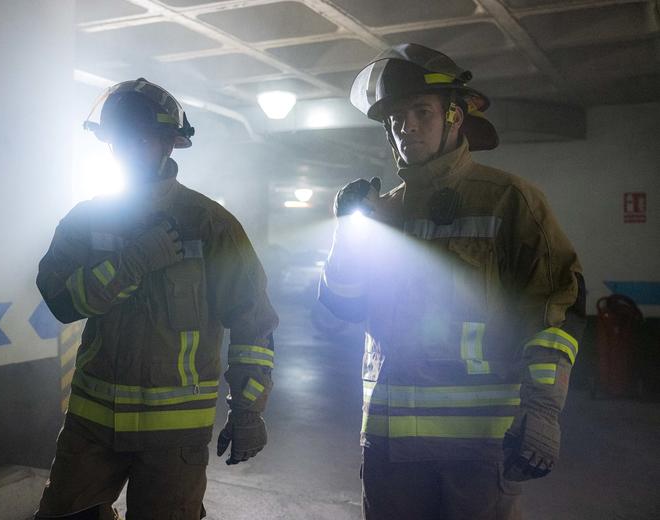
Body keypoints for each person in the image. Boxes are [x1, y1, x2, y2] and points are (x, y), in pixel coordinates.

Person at [319, 44, 586, 520]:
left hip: (476, 450)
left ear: (455, 117)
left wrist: (543, 411)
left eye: (422, 111)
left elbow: (555, 313)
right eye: (396, 117)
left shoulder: (510, 201)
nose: (407, 126)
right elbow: (342, 305)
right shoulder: (382, 211)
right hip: (388, 447)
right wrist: (348, 232)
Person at [35, 78, 278, 520]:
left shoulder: (211, 225)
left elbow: (252, 322)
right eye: (118, 140)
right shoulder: (86, 219)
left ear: (169, 143)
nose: (126, 150)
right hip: (92, 429)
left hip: (174, 441)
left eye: (140, 139)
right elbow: (61, 301)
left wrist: (248, 408)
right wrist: (129, 264)